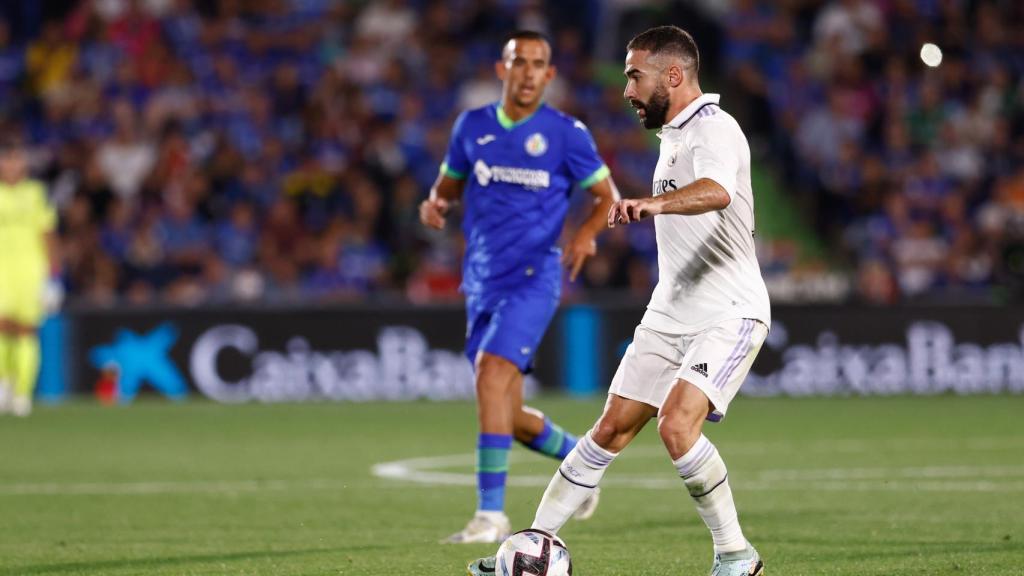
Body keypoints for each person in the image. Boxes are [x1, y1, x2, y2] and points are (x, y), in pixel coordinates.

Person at [468, 25, 770, 575]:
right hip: (672, 309)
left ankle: (736, 555)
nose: (627, 89)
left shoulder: (714, 128)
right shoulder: (676, 135)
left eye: (635, 75)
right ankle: (532, 543)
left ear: (673, 76)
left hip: (729, 309)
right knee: (609, 428)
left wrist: (654, 205)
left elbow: (717, 191)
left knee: (677, 426)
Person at [420, 30, 620, 544]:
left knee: (490, 375)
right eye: (519, 62)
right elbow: (447, 184)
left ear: (550, 75)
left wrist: (587, 236)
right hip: (482, 281)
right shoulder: (473, 127)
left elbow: (606, 197)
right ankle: (580, 462)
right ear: (501, 69)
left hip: (535, 277)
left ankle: (491, 517)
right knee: (503, 415)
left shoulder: (566, 134)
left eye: (538, 64)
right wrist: (435, 204)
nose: (528, 72)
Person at [0, 135, 61, 417]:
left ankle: (23, 393)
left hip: (29, 271)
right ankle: (3, 384)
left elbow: (48, 235)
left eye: (15, 159)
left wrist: (54, 278)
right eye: (6, 159)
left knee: (26, 329)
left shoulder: (36, 193)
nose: (10, 165)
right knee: (2, 326)